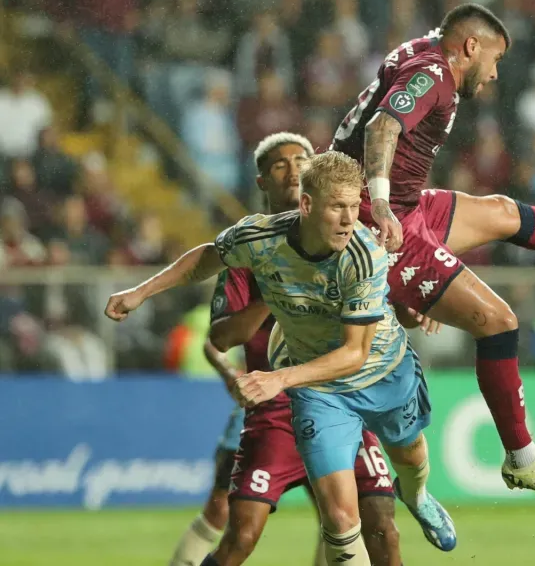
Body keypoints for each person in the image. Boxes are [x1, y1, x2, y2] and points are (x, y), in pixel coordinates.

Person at [332, 2, 535, 501]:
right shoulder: (434, 73)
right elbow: (383, 127)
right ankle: (522, 458)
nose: (493, 73)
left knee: (504, 212)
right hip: (379, 220)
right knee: (499, 320)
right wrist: (379, 204)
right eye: (496, 58)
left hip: (403, 206)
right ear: (470, 47)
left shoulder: (424, 52)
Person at [105, 151, 454, 566]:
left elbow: (355, 354)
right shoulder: (258, 239)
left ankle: (416, 494)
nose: (348, 219)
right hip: (317, 394)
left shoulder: (362, 255)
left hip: (381, 375)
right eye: (337, 207)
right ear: (307, 205)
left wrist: (278, 378)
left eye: (352, 207)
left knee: (409, 461)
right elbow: (208, 257)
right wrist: (141, 292)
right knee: (341, 522)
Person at [167, 133, 405, 566]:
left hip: (338, 398)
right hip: (271, 406)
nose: (293, 169)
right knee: (232, 524)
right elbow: (217, 338)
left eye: (302, 160)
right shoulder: (248, 247)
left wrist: (421, 307)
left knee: (369, 523)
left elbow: (377, 300)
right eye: (281, 165)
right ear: (263, 181)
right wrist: (274, 290)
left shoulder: (348, 239)